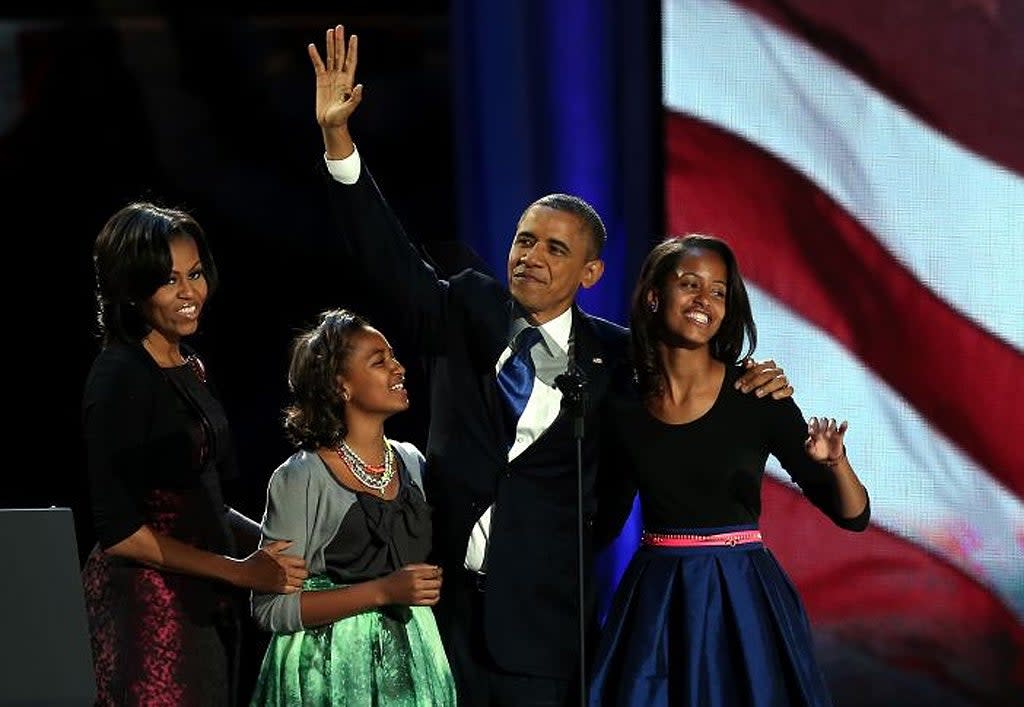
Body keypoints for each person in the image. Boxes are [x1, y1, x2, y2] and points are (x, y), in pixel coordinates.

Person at [305, 26, 793, 706]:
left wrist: (750, 381)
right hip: (435, 616)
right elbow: (388, 259)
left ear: (590, 271)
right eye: (524, 239)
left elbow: (672, 409)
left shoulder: (622, 358)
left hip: (544, 632)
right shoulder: (468, 308)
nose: (531, 255)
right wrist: (339, 144)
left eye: (555, 249)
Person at [588, 235, 871, 707]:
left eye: (718, 291)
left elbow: (853, 516)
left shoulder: (756, 395)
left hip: (741, 596)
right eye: (690, 284)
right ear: (655, 296)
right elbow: (606, 517)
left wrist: (837, 464)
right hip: (658, 601)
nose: (705, 300)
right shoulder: (621, 403)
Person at [80, 201, 309, 706]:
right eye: (169, 280)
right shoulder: (118, 376)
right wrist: (242, 570)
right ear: (132, 289)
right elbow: (120, 534)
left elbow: (205, 498)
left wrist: (284, 551)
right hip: (147, 610)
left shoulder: (189, 365)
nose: (190, 293)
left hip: (204, 602)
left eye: (197, 273)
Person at [249, 308, 457, 706]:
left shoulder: (412, 463)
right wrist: (382, 591)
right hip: (329, 669)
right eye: (379, 362)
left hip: (413, 661)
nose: (398, 369)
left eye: (393, 357)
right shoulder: (301, 477)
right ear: (341, 385)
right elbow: (271, 608)